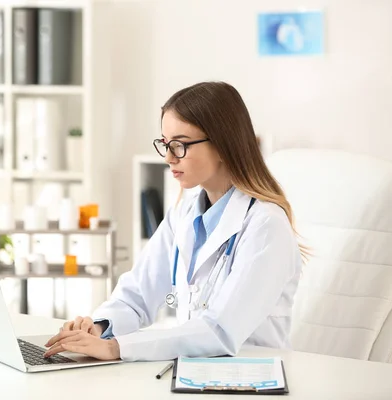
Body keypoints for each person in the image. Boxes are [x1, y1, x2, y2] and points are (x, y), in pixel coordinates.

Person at [44, 81, 304, 362]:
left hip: (252, 377)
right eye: (165, 144)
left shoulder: (266, 226)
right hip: (195, 372)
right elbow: (138, 296)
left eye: (179, 145)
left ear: (221, 144)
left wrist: (116, 348)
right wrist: (99, 329)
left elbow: (219, 331)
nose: (169, 157)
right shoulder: (184, 214)